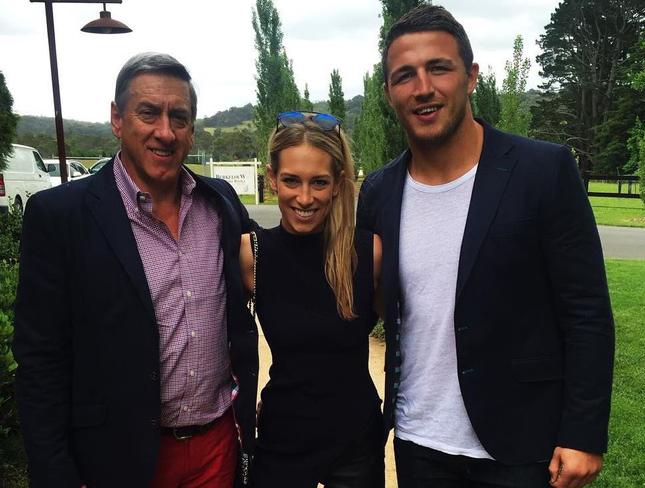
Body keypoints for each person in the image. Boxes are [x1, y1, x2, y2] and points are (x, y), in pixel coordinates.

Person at [356, 5, 615, 488]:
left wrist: (583, 432)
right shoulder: (379, 192)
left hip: (521, 446)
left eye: (439, 67)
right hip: (418, 443)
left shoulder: (543, 171)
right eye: (405, 75)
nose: (423, 87)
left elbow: (586, 311)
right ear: (389, 92)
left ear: (471, 76)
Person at [13, 52, 258, 488]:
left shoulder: (219, 204)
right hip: (118, 458)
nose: (165, 131)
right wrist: (55, 472)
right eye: (149, 113)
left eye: (179, 117)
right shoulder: (61, 216)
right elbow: (40, 361)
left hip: (216, 450)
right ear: (116, 118)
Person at [239, 111, 384, 488]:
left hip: (355, 442)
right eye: (291, 181)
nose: (305, 198)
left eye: (318, 182)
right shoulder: (252, 253)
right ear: (272, 179)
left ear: (337, 183)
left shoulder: (368, 252)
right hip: (281, 437)